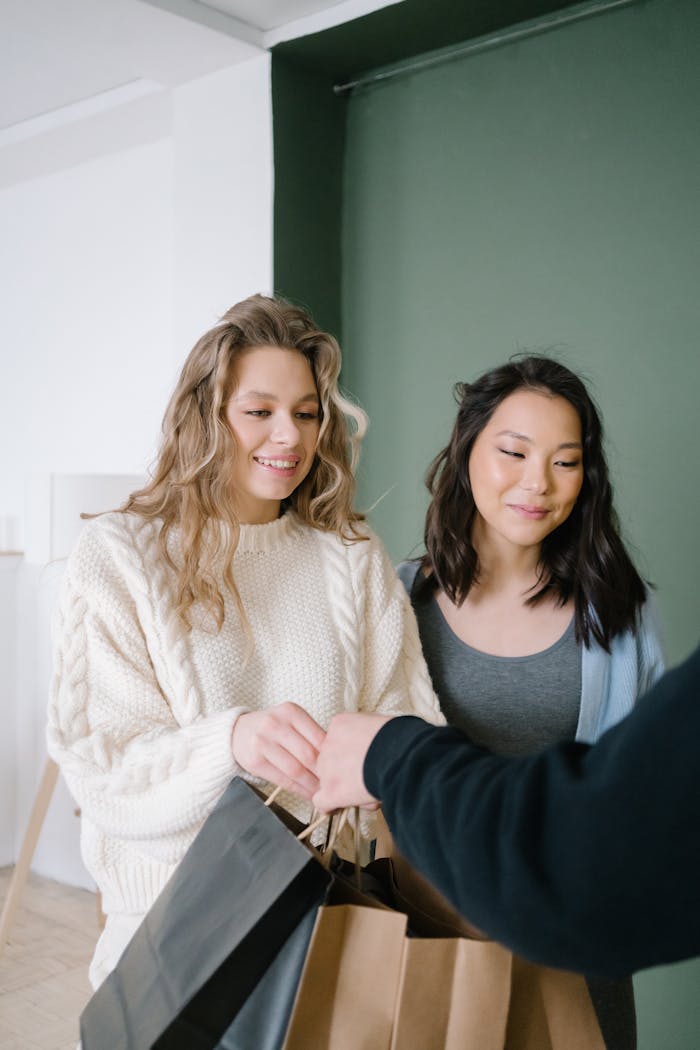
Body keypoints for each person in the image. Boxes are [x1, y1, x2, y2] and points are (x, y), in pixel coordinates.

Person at [46, 293, 441, 990]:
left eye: (307, 412)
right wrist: (229, 742)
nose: (288, 436)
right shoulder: (119, 556)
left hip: (329, 944)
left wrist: (377, 768)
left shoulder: (351, 556)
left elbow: (408, 722)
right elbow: (104, 773)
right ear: (208, 415)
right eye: (259, 412)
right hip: (172, 949)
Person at [394, 356, 663, 1048]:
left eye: (565, 461)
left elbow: (643, 793)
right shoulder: (393, 604)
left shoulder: (620, 621)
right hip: (429, 944)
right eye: (513, 452)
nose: (537, 483)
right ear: (467, 451)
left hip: (571, 949)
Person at [311, 642, 700, 978]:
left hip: (558, 954)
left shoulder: (619, 613)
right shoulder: (405, 596)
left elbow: (591, 864)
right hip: (442, 931)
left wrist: (395, 757)